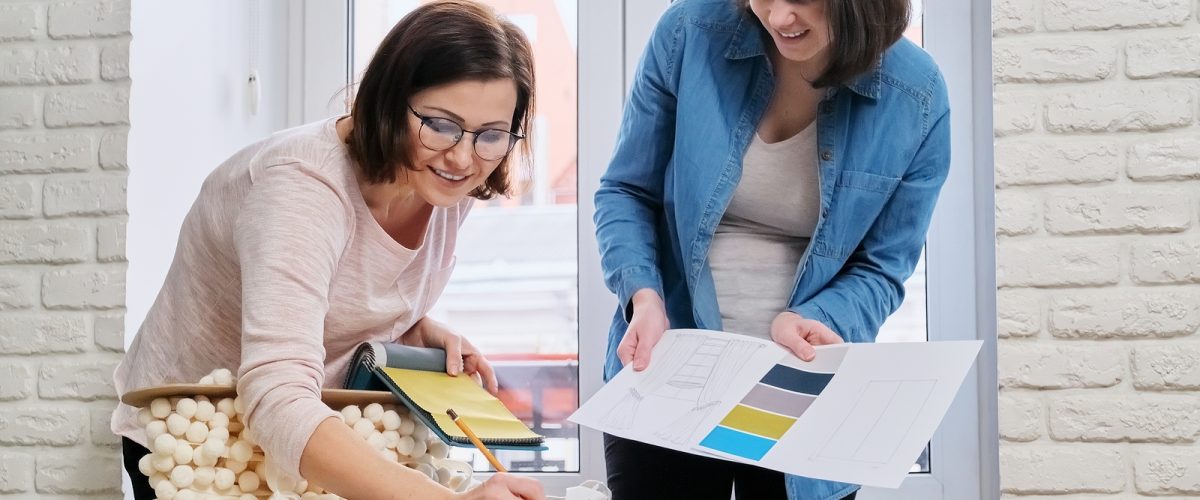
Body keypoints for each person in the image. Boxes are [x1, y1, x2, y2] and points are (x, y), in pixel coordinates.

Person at [112, 2, 545, 499]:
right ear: (389, 100)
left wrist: (417, 327)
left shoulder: (443, 185)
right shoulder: (301, 188)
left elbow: (343, 283)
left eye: (491, 135)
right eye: (442, 124)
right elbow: (275, 394)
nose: (464, 157)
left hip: (302, 434)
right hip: (199, 439)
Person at [593, 0, 950, 498]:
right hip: (671, 367)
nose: (780, 17)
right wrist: (643, 295)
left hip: (802, 384)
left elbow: (882, 266)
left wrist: (819, 316)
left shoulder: (917, 96)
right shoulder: (689, 34)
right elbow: (627, 191)